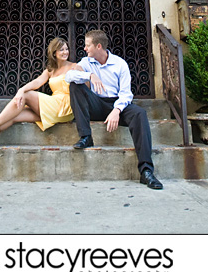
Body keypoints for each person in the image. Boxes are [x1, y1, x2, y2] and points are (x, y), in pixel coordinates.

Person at [65, 29, 163, 190]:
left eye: (87, 45)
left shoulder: (119, 64)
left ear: (98, 46)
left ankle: (146, 171)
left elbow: (126, 94)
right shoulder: (86, 62)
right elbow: (68, 76)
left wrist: (116, 110)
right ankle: (86, 137)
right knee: (75, 86)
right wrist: (89, 76)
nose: (84, 48)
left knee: (140, 114)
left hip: (117, 104)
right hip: (97, 104)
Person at [0, 37, 81, 145]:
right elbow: (37, 82)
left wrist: (22, 93)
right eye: (61, 50)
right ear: (54, 53)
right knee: (14, 116)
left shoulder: (75, 67)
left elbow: (85, 88)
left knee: (27, 96)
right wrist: (20, 91)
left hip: (65, 106)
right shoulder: (50, 70)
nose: (65, 52)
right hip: (53, 106)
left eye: (66, 49)